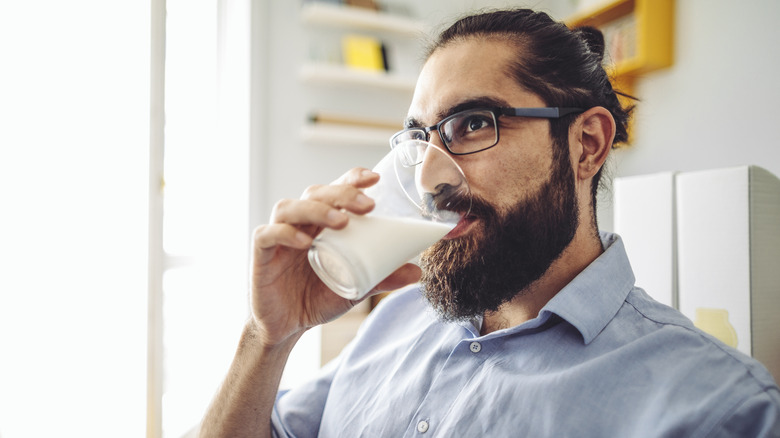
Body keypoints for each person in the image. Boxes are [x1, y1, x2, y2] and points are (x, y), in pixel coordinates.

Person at [199, 8, 780, 437]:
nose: (430, 176)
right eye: (420, 139)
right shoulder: (395, 319)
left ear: (586, 144)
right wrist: (267, 339)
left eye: (473, 124)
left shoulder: (719, 408)